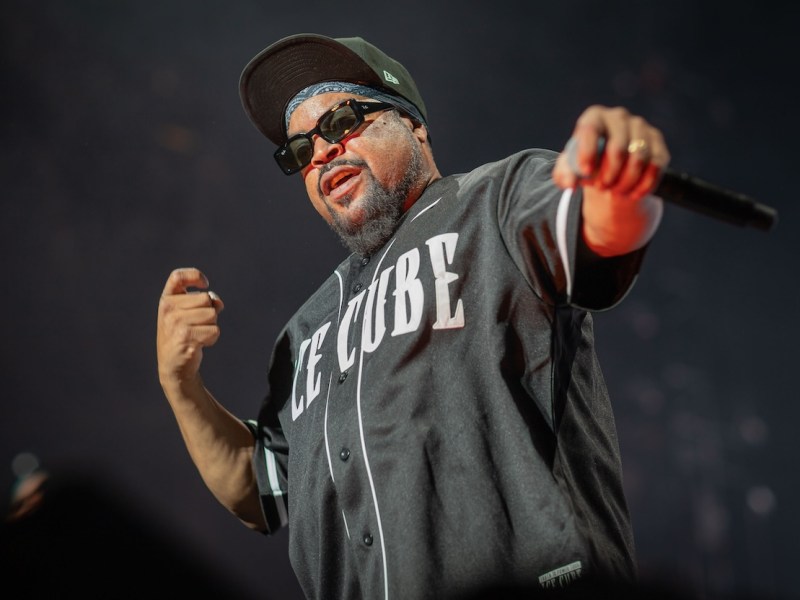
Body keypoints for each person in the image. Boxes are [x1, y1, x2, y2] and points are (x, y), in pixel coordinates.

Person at [156, 33, 670, 600]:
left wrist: (621, 190)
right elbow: (260, 489)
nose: (322, 152)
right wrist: (180, 384)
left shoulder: (494, 200)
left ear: (412, 123)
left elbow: (593, 232)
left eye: (339, 121)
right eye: (299, 151)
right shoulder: (304, 334)